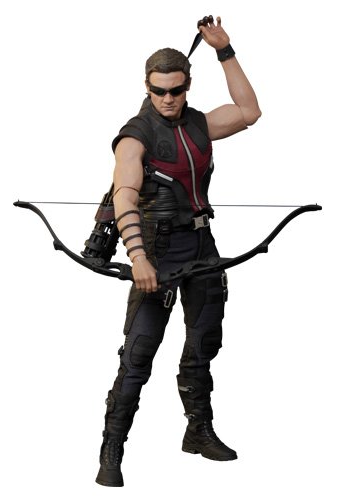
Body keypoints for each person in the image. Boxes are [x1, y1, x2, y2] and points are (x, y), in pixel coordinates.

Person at [96, 16, 262, 487]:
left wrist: (224, 50)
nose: (167, 99)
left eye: (176, 90)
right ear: (147, 88)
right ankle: (112, 448)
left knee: (203, 344)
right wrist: (139, 258)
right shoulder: (136, 135)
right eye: (158, 91)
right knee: (138, 354)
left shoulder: (198, 124)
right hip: (158, 250)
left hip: (202, 245)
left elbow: (249, 111)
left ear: (187, 86)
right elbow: (125, 195)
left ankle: (198, 431)